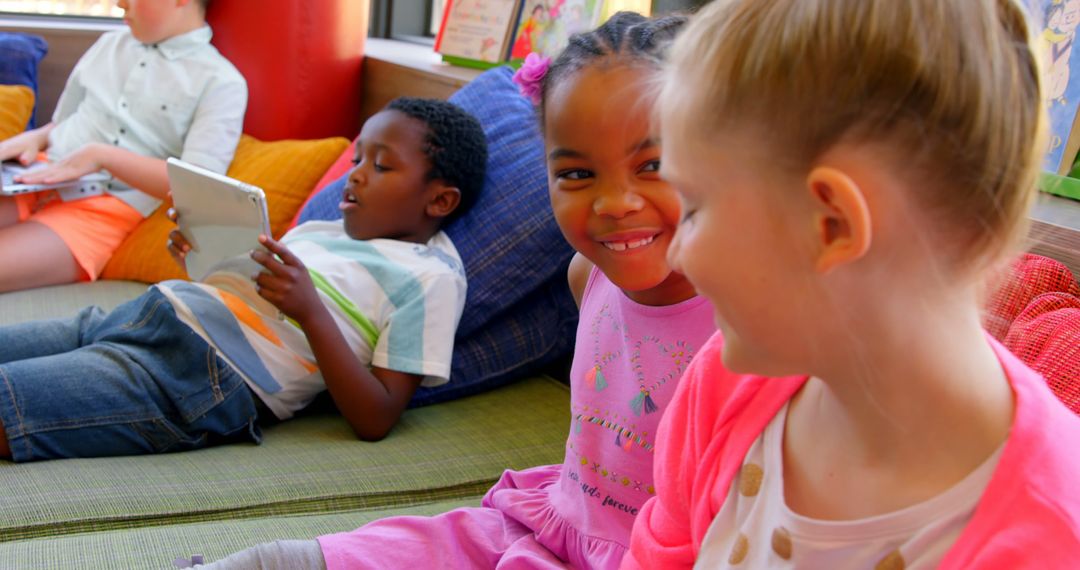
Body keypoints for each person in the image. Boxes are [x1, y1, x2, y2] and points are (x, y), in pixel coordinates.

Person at [184, 12, 713, 570]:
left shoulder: (746, 329)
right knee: (332, 555)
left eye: (653, 164)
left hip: (659, 557)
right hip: (553, 524)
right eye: (577, 175)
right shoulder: (587, 276)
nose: (614, 203)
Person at [625, 0, 1080, 568]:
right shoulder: (721, 384)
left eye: (693, 207)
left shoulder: (1048, 540)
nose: (677, 253)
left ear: (832, 224)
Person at [0, 97, 487, 462]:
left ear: (440, 200)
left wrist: (311, 311)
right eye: (357, 159)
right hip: (146, 315)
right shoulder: (319, 231)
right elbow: (242, 295)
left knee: (10, 406)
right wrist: (202, 254)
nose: (355, 175)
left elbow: (376, 417)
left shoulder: (430, 278)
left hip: (194, 376)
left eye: (381, 165)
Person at [0, 0, 247, 293]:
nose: (120, 3)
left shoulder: (221, 82)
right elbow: (62, 122)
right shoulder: (108, 44)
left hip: (100, 210)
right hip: (34, 177)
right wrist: (33, 138)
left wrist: (103, 157)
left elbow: (199, 186)